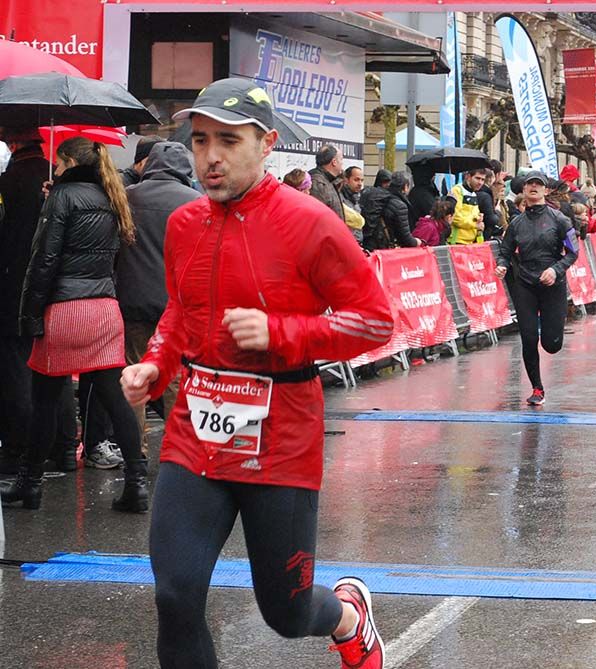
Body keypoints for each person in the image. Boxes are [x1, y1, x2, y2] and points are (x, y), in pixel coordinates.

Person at [119, 78, 392, 669]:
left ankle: (349, 616)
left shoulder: (311, 222)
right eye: (199, 141)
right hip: (197, 431)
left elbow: (376, 323)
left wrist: (281, 332)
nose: (210, 156)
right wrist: (156, 365)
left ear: (266, 143)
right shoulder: (186, 223)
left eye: (228, 140)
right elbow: (181, 311)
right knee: (174, 595)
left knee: (286, 612)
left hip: (281, 439)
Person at [1, 137, 146, 511]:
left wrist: (29, 313)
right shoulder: (113, 197)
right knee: (114, 398)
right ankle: (137, 483)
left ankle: (30, 483)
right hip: (104, 309)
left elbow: (44, 261)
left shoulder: (62, 198)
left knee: (46, 398)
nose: (56, 172)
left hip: (65, 310)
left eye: (60, 166)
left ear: (68, 163)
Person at [0, 127, 78, 474]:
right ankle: (62, 448)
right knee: (54, 368)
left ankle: (19, 450)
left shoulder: (9, 182)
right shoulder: (55, 179)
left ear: (12, 142)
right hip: (56, 288)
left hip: (14, 285)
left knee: (17, 367)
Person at [120, 141, 202, 454]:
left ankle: (135, 450)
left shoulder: (128, 197)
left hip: (134, 300)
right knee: (175, 376)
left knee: (135, 375)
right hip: (176, 305)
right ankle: (178, 446)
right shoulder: (196, 201)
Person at [496, 170, 579, 406]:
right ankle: (537, 388)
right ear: (523, 190)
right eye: (529, 184)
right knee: (529, 338)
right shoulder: (516, 223)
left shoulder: (560, 219)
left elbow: (573, 252)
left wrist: (555, 270)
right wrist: (502, 265)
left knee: (552, 344)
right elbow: (505, 251)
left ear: (545, 190)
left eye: (538, 184)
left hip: (553, 284)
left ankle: (550, 338)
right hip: (525, 284)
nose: (533, 187)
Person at [382, 171, 422, 247]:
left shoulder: (383, 197)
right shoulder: (400, 206)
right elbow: (405, 238)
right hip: (387, 248)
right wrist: (417, 242)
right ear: (406, 186)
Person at [308, 144, 346, 223]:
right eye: (341, 159)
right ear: (334, 162)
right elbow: (317, 218)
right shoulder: (318, 182)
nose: (342, 163)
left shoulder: (330, 180)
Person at [447, 169, 486, 244]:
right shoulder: (456, 191)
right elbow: (454, 217)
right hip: (456, 242)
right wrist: (475, 225)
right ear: (468, 177)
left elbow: (473, 218)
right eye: (477, 178)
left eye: (483, 179)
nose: (480, 182)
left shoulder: (473, 193)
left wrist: (479, 220)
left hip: (470, 243)